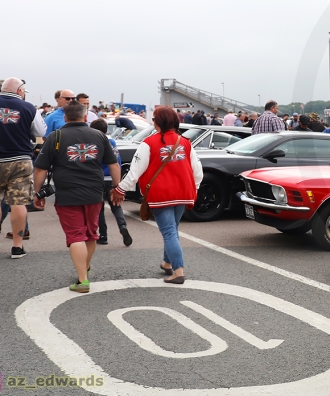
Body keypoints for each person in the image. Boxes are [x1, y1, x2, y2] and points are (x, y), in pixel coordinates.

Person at [32, 101, 120, 293]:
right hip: (94, 192)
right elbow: (114, 165)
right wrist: (117, 188)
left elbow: (41, 168)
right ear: (85, 116)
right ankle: (84, 269)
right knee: (90, 234)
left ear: (65, 117)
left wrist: (37, 193)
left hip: (67, 193)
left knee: (75, 236)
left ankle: (82, 280)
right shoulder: (99, 135)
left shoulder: (56, 136)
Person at [111, 107, 202, 284]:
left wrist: (120, 189)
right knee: (172, 230)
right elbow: (198, 172)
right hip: (183, 193)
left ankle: (178, 270)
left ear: (158, 122)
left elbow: (135, 171)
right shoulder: (185, 142)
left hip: (160, 194)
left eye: (153, 119)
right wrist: (194, 189)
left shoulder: (149, 143)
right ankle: (167, 263)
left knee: (168, 232)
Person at [0, 77, 46, 257]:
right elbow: (40, 132)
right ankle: (17, 246)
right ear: (19, 91)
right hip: (21, 160)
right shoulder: (29, 108)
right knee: (19, 202)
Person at [89, 119, 131, 247]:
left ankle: (103, 235)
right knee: (116, 205)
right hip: (112, 178)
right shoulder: (112, 142)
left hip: (99, 179)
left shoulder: (95, 142)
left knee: (99, 208)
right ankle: (122, 225)